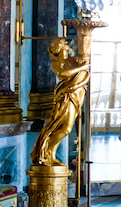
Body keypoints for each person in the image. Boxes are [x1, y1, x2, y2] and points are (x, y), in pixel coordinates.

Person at [30, 38, 89, 169]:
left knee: (66, 128)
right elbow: (63, 73)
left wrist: (83, 64)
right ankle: (48, 153)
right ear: (60, 47)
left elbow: (85, 67)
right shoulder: (56, 63)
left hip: (76, 95)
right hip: (66, 96)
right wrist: (81, 67)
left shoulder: (73, 60)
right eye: (65, 43)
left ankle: (51, 154)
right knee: (64, 127)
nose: (68, 44)